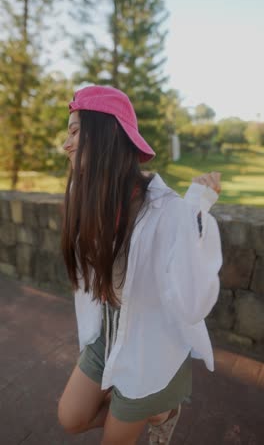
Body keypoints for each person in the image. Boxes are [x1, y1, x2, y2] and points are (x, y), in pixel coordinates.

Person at [57, 85, 223, 445]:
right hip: (107, 332)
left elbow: (193, 304)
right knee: (69, 418)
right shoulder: (84, 197)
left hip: (149, 346)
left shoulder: (168, 211)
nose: (65, 144)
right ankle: (152, 410)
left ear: (107, 133)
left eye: (74, 131)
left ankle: (157, 406)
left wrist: (195, 214)